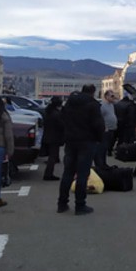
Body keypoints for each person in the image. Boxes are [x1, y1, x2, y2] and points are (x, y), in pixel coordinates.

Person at [57, 85, 104, 215]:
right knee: (82, 174)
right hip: (87, 142)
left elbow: (62, 119)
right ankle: (80, 205)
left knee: (68, 172)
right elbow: (98, 124)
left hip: (71, 141)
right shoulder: (93, 105)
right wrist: (99, 138)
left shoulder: (70, 103)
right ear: (93, 92)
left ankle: (62, 203)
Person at [42, 96, 64, 181]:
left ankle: (49, 173)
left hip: (48, 136)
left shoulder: (48, 112)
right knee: (53, 157)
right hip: (54, 137)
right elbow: (61, 125)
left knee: (52, 156)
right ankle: (48, 174)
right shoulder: (56, 114)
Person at [94, 90, 117, 168]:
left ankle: (104, 163)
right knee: (102, 147)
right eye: (112, 96)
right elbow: (100, 117)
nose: (113, 97)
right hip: (105, 130)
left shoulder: (111, 105)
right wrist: (104, 127)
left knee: (106, 147)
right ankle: (100, 164)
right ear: (106, 97)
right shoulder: (103, 105)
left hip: (111, 129)